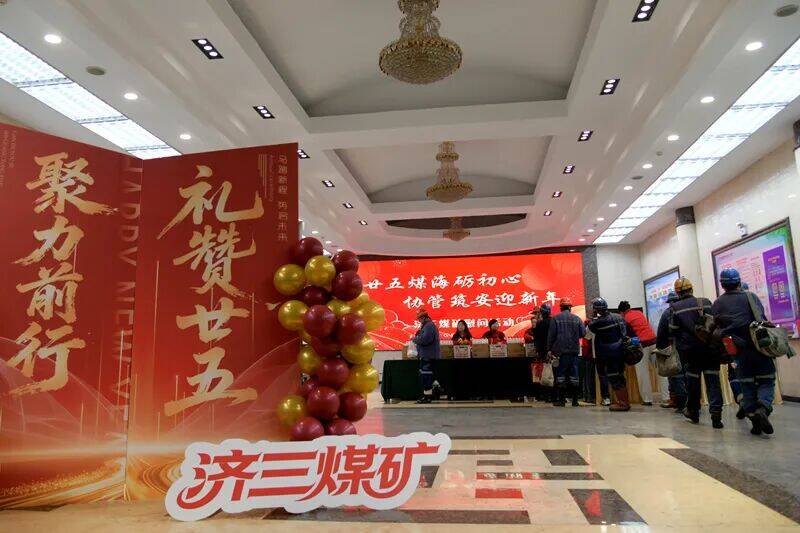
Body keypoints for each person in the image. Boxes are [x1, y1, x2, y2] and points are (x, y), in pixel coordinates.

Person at [711, 269, 776, 435]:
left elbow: (716, 326)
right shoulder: (750, 297)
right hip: (758, 348)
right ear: (739, 282)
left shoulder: (717, 303)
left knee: (746, 385)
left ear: (722, 285)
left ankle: (755, 423)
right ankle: (763, 407)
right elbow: (761, 319)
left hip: (737, 351)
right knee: (766, 380)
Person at [656, 277, 723, 428]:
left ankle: (693, 411)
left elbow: (672, 331)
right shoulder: (705, 302)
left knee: (693, 383)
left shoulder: (675, 308)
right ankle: (716, 414)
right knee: (713, 381)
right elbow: (715, 323)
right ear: (691, 289)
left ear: (677, 293)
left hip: (690, 351)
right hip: (710, 349)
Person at [588, 297, 633, 411]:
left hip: (610, 353)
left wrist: (593, 315)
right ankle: (625, 401)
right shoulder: (618, 317)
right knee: (620, 377)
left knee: (614, 378)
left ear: (596, 309)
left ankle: (623, 403)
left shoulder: (599, 322)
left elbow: (591, 326)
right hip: (621, 352)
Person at [618, 301, 665, 406]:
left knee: (642, 373)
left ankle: (647, 399)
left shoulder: (625, 319)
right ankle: (667, 397)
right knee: (661, 371)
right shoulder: (639, 313)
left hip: (641, 346)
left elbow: (626, 336)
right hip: (654, 342)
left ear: (621, 312)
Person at [547, 297, 585, 407]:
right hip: (574, 352)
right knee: (574, 376)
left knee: (560, 376)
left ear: (561, 308)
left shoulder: (555, 319)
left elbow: (551, 336)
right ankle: (575, 401)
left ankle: (562, 400)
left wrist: (549, 349)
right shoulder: (577, 319)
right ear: (570, 307)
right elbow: (583, 333)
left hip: (560, 353)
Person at [659, 291, 688, 412]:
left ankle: (681, 404)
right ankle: (691, 403)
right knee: (688, 375)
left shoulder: (667, 313)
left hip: (674, 348)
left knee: (675, 375)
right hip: (688, 347)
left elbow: (661, 332)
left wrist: (661, 349)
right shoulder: (686, 310)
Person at [412, 308, 441, 404]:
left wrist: (415, 339)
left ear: (424, 317)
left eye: (420, 319)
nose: (419, 321)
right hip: (427, 355)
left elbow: (425, 340)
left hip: (428, 355)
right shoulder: (427, 325)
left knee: (426, 376)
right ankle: (427, 395)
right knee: (426, 376)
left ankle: (428, 397)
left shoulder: (429, 326)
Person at [525, 304, 553, 402]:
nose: (536, 315)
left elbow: (537, 339)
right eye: (535, 314)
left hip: (544, 352)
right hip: (550, 351)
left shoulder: (541, 324)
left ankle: (547, 396)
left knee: (546, 374)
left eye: (537, 313)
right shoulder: (553, 321)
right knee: (545, 374)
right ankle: (550, 396)